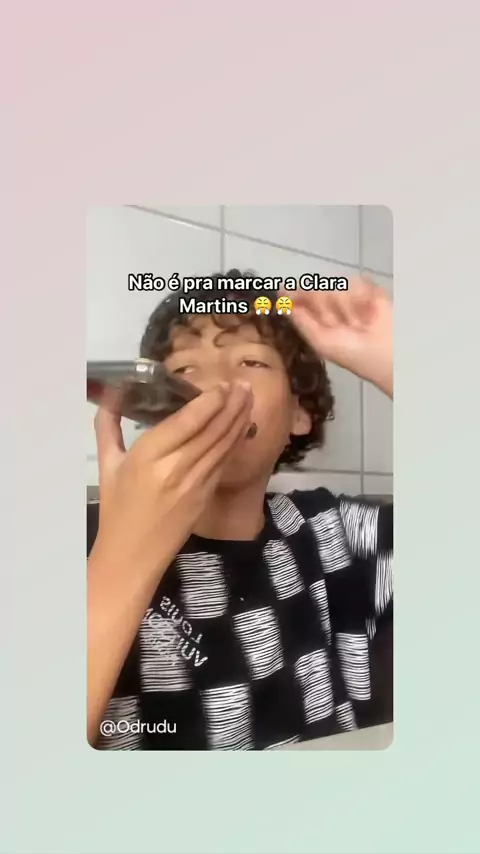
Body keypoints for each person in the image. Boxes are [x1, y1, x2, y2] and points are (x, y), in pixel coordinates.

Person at [87, 270, 393, 750]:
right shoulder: (83, 542)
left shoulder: (340, 535)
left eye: (251, 361)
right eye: (184, 370)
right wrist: (121, 559)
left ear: (298, 415)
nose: (216, 386)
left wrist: (397, 359)